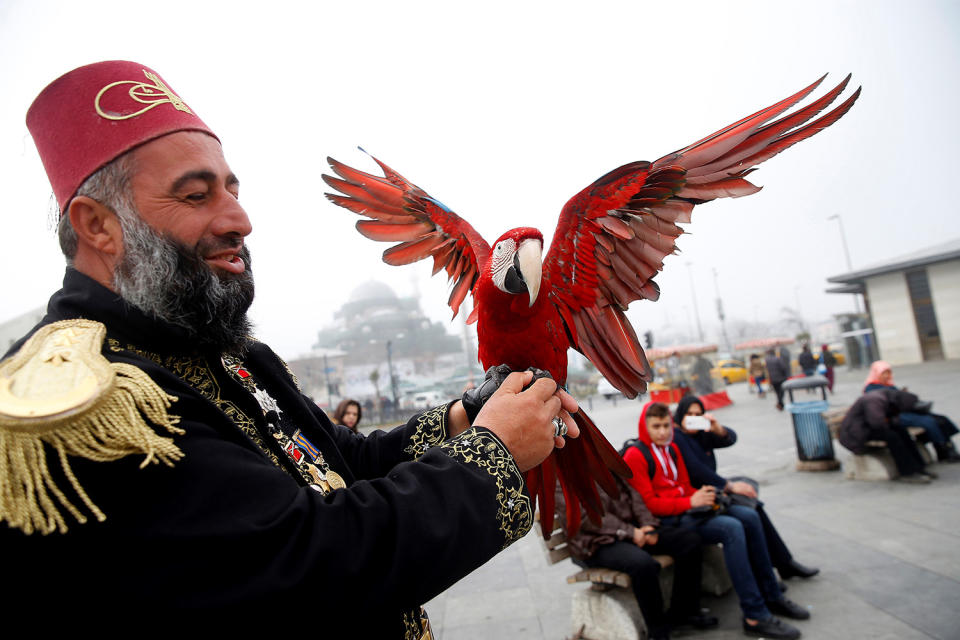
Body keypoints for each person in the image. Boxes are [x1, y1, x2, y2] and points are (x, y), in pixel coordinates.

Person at [0, 61, 581, 632]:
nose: (240, 219)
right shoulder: (85, 403)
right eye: (195, 196)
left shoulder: (228, 353)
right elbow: (304, 563)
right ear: (97, 225)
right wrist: (492, 455)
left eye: (232, 188)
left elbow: (338, 465)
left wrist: (468, 416)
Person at [625, 402, 809, 639]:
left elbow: (683, 485)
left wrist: (703, 496)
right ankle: (755, 615)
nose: (662, 432)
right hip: (667, 522)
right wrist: (691, 502)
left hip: (688, 511)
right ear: (645, 427)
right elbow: (649, 504)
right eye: (656, 426)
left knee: (750, 516)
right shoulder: (636, 455)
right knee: (731, 529)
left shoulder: (671, 449)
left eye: (665, 426)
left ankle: (772, 595)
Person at [671, 396, 819, 581]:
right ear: (680, 415)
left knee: (755, 505)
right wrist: (729, 486)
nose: (693, 418)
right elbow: (696, 470)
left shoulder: (701, 433)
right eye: (689, 414)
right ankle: (771, 574)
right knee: (746, 516)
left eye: (697, 414)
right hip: (701, 499)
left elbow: (731, 439)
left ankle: (783, 564)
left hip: (716, 491)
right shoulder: (677, 437)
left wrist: (718, 428)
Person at [560, 477, 718, 640]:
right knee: (642, 564)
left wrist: (647, 524)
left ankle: (684, 612)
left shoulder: (605, 460)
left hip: (632, 530)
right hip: (595, 543)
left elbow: (634, 494)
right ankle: (658, 631)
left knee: (688, 541)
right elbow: (583, 517)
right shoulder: (560, 477)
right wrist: (630, 532)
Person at [863, 361, 960, 462]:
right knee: (928, 421)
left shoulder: (889, 385)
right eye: (884, 373)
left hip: (904, 411)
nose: (887, 376)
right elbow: (881, 407)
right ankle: (944, 448)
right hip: (894, 416)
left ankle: (946, 449)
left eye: (888, 372)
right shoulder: (871, 388)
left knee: (940, 419)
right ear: (876, 373)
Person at [839, 388, 938, 483]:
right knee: (893, 437)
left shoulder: (889, 398)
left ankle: (919, 467)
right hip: (856, 433)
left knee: (902, 432)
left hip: (867, 427)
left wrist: (892, 422)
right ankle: (907, 472)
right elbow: (877, 423)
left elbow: (890, 420)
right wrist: (891, 422)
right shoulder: (875, 400)